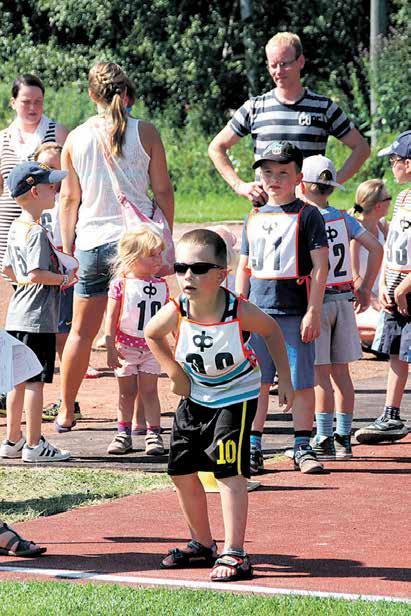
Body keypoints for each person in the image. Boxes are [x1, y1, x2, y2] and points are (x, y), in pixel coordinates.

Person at [145, 229, 293, 582]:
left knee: (228, 472)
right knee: (180, 471)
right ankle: (202, 543)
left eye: (198, 268)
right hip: (195, 397)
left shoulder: (236, 309)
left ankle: (235, 552)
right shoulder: (177, 308)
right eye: (181, 268)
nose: (187, 277)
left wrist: (283, 379)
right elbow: (151, 334)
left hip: (235, 398)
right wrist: (173, 371)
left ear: (221, 274)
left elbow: (272, 330)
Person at [56, 61, 174, 430]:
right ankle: (141, 418)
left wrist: (67, 248)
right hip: (136, 243)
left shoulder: (75, 138)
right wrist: (165, 238)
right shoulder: (146, 132)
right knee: (142, 329)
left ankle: (66, 408)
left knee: (81, 332)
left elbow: (69, 200)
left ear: (92, 94)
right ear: (126, 92)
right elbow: (163, 190)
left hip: (92, 239)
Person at [236, 141, 329, 475]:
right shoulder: (255, 215)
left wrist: (313, 310)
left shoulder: (308, 214)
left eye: (282, 173)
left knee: (302, 381)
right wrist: (236, 307)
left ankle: (302, 445)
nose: (274, 179)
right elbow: (244, 266)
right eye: (268, 172)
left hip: (294, 309)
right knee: (258, 382)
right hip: (258, 312)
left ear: (298, 177)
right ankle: (254, 446)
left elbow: (321, 266)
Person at [208, 32, 370, 206]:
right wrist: (239, 186)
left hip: (310, 211)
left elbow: (361, 148)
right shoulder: (254, 107)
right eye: (273, 65)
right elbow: (216, 147)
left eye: (284, 64)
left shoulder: (323, 107)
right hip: (266, 211)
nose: (278, 71)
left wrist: (329, 182)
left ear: (300, 62)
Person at [300, 155, 383, 459]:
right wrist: (363, 286)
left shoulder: (305, 218)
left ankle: (323, 435)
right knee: (342, 373)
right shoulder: (342, 218)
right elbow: (376, 248)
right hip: (344, 300)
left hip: (319, 300)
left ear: (303, 184)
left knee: (320, 374)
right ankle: (343, 437)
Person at [0, 162, 74, 462]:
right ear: (35, 191)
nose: (54, 190)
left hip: (17, 314)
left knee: (17, 380)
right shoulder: (37, 232)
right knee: (35, 381)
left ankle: (12, 440)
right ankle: (33, 445)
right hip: (38, 318)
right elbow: (35, 274)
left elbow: (7, 269)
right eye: (50, 186)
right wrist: (64, 278)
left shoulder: (15, 227)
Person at [356, 131, 411, 444]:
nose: (392, 166)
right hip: (396, 291)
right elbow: (395, 245)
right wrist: (388, 286)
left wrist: (404, 286)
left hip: (408, 289)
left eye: (394, 160)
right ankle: (391, 414)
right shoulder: (403, 198)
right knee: (395, 354)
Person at [105, 226, 169, 456]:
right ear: (132, 256)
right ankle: (123, 433)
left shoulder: (162, 285)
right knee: (126, 392)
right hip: (126, 348)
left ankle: (154, 433)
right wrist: (110, 346)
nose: (158, 259)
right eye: (152, 255)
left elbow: (168, 317)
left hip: (152, 348)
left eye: (159, 254)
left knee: (150, 391)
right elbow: (111, 317)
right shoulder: (121, 284)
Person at [0, 74, 68, 271]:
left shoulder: (58, 133)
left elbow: (70, 182)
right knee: (16, 279)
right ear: (13, 103)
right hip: (9, 227)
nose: (32, 107)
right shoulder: (2, 138)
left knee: (44, 279)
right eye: (26, 102)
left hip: (48, 227)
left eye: (38, 102)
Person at [350, 180, 391, 347]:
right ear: (379, 206)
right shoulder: (356, 230)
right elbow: (354, 275)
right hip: (361, 297)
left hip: (380, 293)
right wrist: (372, 299)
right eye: (389, 197)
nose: (391, 200)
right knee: (379, 327)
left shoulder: (383, 226)